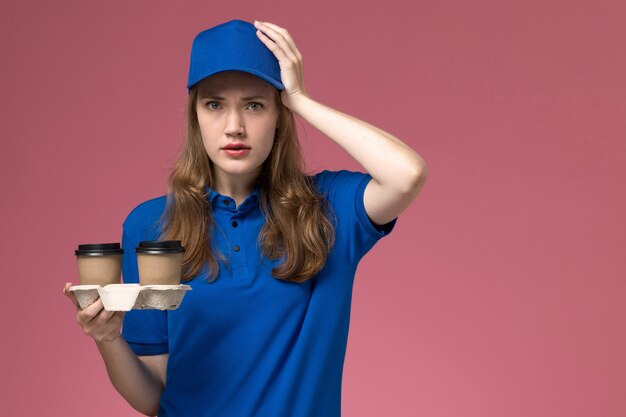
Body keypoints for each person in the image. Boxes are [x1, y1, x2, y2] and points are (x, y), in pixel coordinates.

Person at [63, 18, 427, 417]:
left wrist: (302, 99)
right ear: (195, 116)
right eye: (214, 105)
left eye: (254, 105)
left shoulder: (326, 209)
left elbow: (406, 174)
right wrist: (108, 338)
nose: (234, 127)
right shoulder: (150, 226)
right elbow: (153, 397)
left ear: (278, 114)